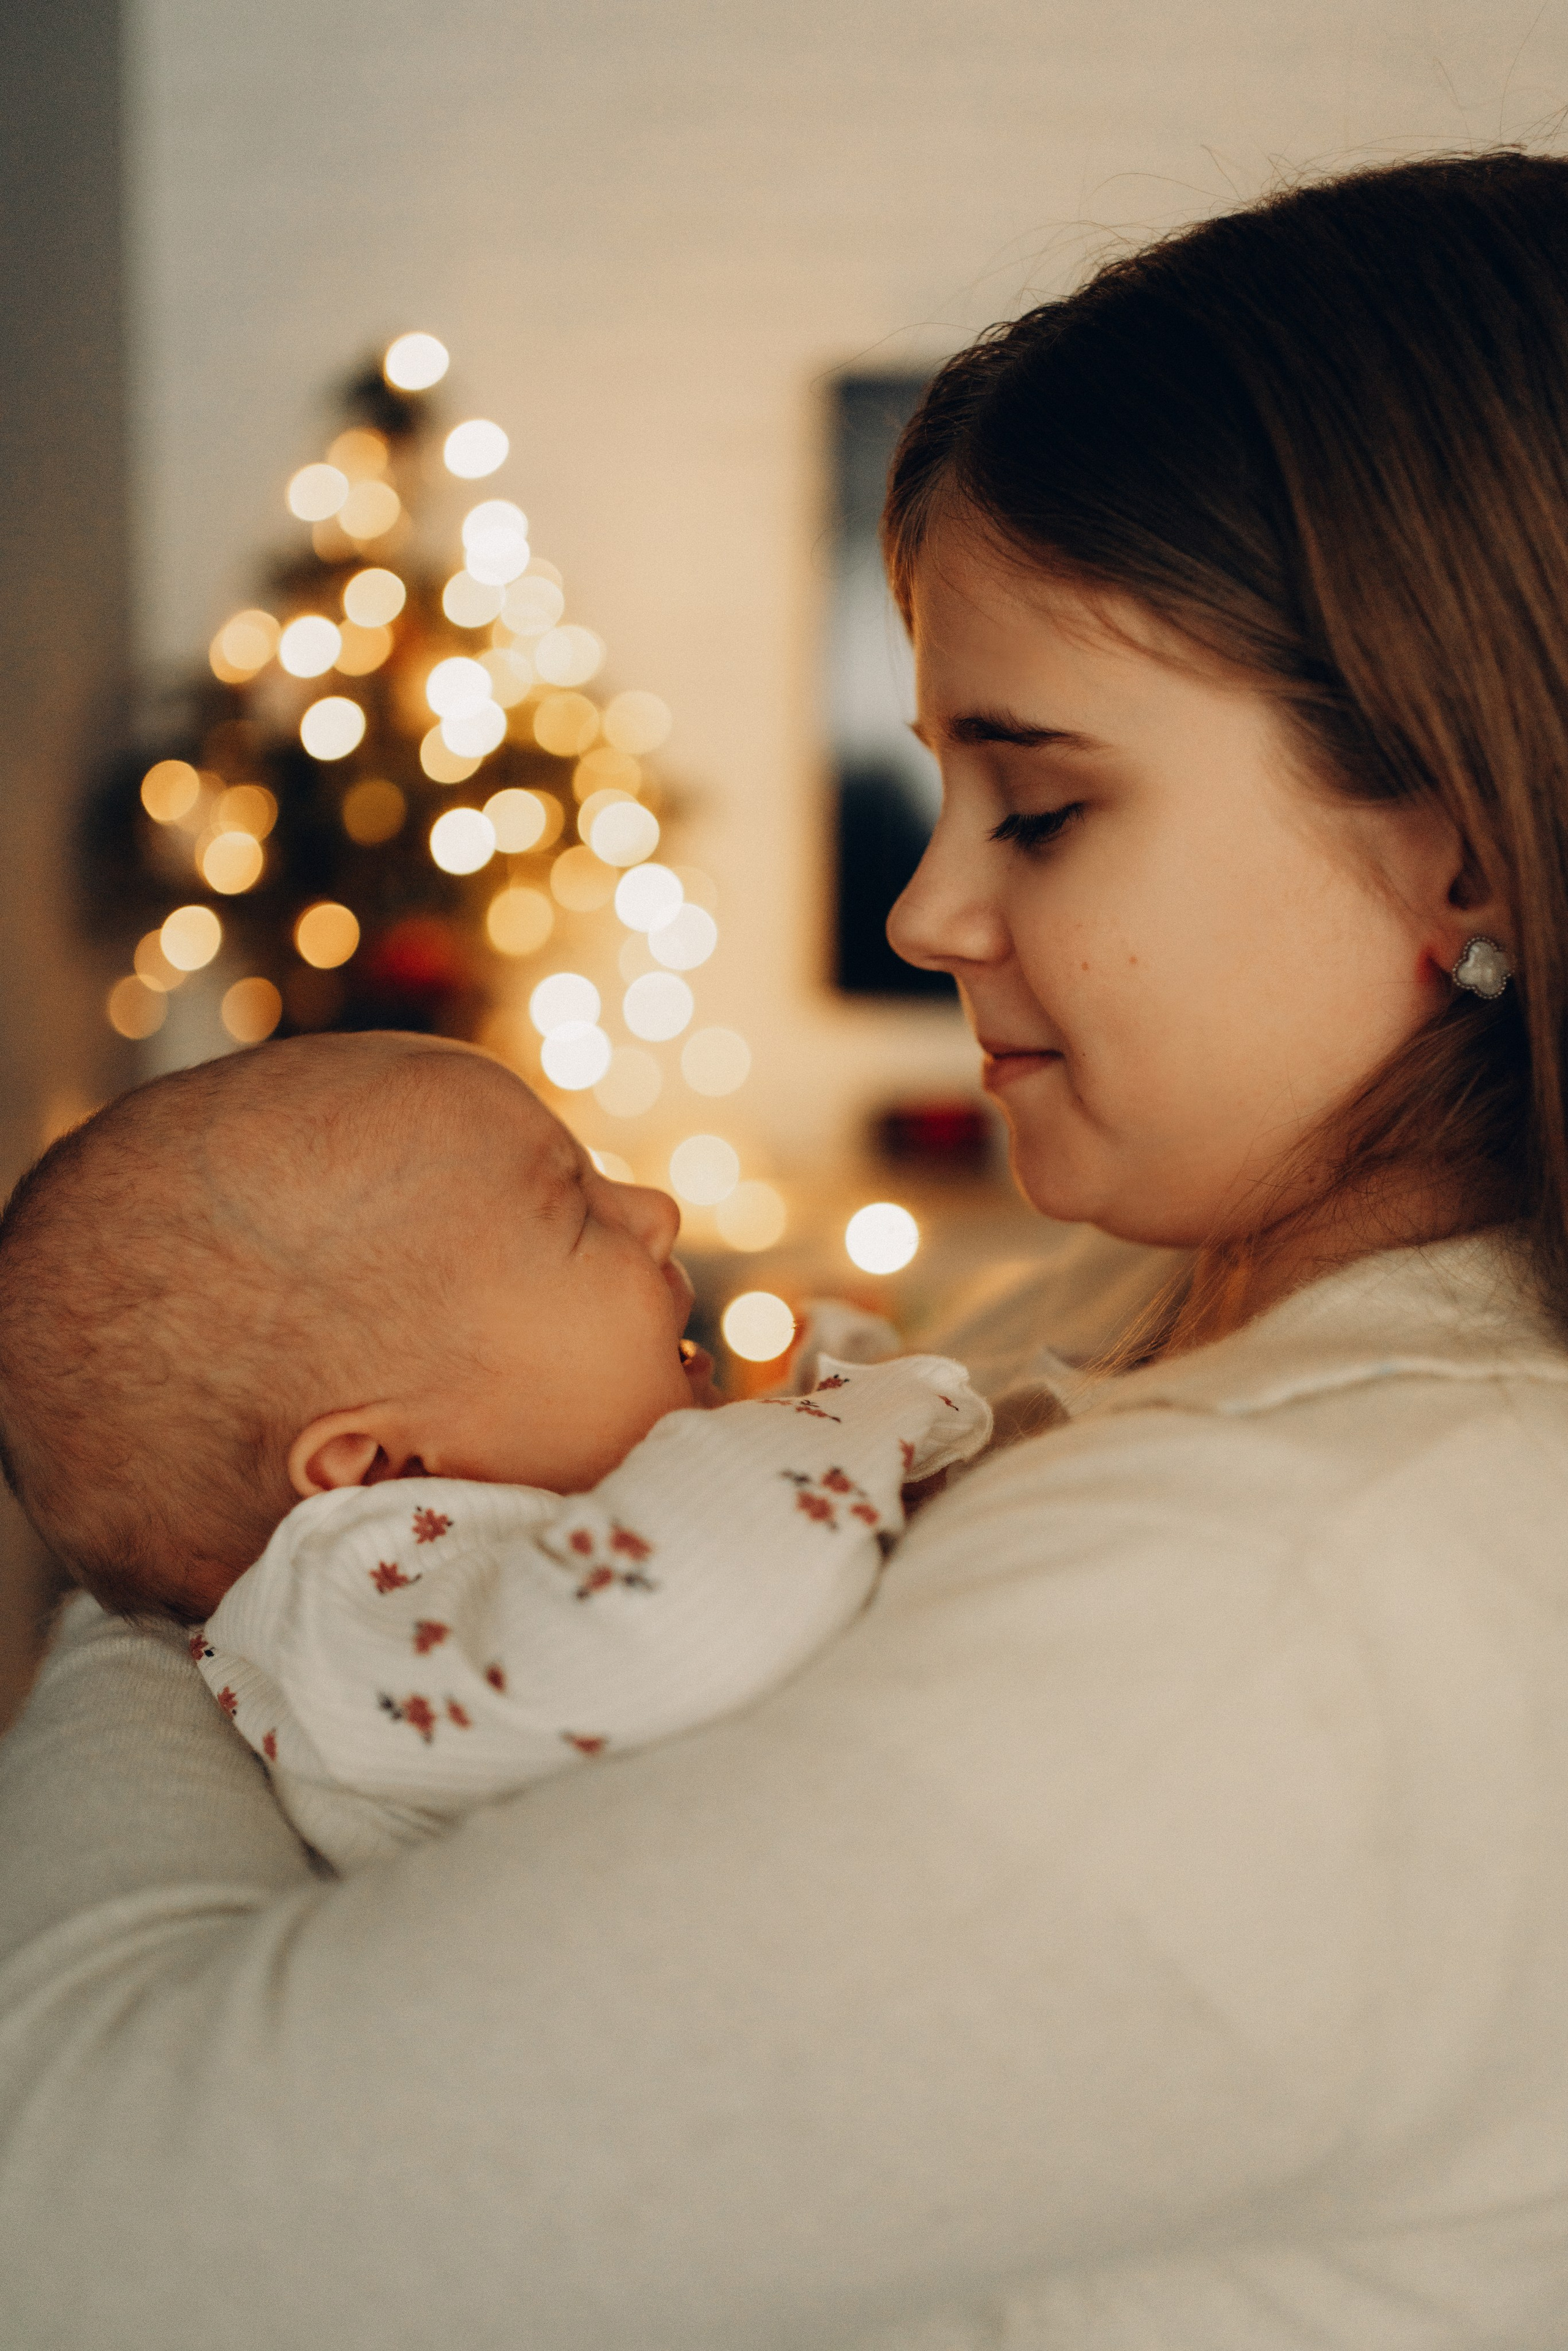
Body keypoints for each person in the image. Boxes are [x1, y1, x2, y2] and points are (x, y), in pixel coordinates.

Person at [6, 148, 1568, 2347]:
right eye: (942, 790)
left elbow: (75, 2206)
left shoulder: (1297, 1598)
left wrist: (198, 1542)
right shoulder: (1147, 1314)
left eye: (1042, 802)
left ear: (1473, 850)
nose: (934, 911)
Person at [0, 1032, 987, 1871]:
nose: (655, 1210)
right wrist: (874, 1410)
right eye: (575, 1212)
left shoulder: (426, 1571)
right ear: (384, 1470)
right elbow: (678, 1612)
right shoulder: (361, 1598)